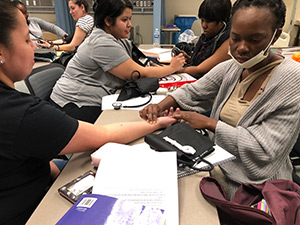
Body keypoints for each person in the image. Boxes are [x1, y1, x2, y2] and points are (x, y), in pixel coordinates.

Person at [0, 1, 176, 224]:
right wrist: (158, 123)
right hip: (30, 210)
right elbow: (104, 135)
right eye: (27, 39)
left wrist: (53, 171)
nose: (35, 46)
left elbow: (27, 153)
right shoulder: (21, 113)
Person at [140, 0, 300, 199]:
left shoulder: (293, 80)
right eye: (235, 38)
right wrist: (160, 105)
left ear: (275, 35)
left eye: (254, 39)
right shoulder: (234, 67)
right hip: (217, 165)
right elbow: (194, 91)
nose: (241, 48)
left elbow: (264, 150)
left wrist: (209, 123)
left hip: (257, 185)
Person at [49, 0, 185, 124]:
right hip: (73, 104)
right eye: (124, 19)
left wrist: (159, 67)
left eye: (130, 19)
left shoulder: (119, 39)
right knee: (127, 124)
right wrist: (172, 67)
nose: (129, 24)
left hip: (92, 99)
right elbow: (139, 73)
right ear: (108, 21)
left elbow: (140, 62)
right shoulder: (101, 42)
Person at [177, 0, 232, 78]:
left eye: (208, 22)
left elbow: (200, 71)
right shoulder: (209, 36)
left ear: (221, 22)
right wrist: (190, 59)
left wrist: (170, 69)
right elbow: (204, 62)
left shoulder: (229, 42)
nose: (203, 25)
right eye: (202, 20)